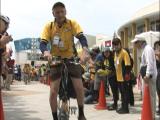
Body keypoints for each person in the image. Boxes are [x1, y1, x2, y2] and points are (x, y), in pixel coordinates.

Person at [40, 2, 89, 120]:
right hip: (55, 60)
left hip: (71, 58)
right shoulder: (49, 26)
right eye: (57, 12)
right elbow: (42, 43)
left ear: (65, 12)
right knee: (53, 91)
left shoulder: (72, 24)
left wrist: (85, 50)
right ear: (53, 13)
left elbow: (82, 38)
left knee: (79, 87)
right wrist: (46, 52)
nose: (60, 14)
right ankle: (55, 117)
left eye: (62, 11)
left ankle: (81, 113)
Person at [131, 37, 157, 119]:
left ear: (140, 42)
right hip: (146, 76)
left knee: (150, 96)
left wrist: (147, 75)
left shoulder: (148, 49)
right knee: (147, 96)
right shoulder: (144, 49)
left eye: (135, 43)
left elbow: (150, 63)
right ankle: (148, 114)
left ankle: (151, 116)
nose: (134, 45)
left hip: (148, 77)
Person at [112, 38, 131, 114]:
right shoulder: (116, 53)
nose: (116, 46)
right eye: (114, 45)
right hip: (118, 77)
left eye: (117, 44)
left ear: (120, 44)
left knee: (125, 93)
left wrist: (126, 75)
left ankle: (126, 109)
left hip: (123, 77)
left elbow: (128, 65)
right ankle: (123, 107)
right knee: (122, 93)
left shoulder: (124, 52)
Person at [154, 40, 160, 115]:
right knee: (158, 91)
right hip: (157, 75)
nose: (157, 48)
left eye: (158, 46)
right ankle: (159, 106)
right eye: (156, 47)